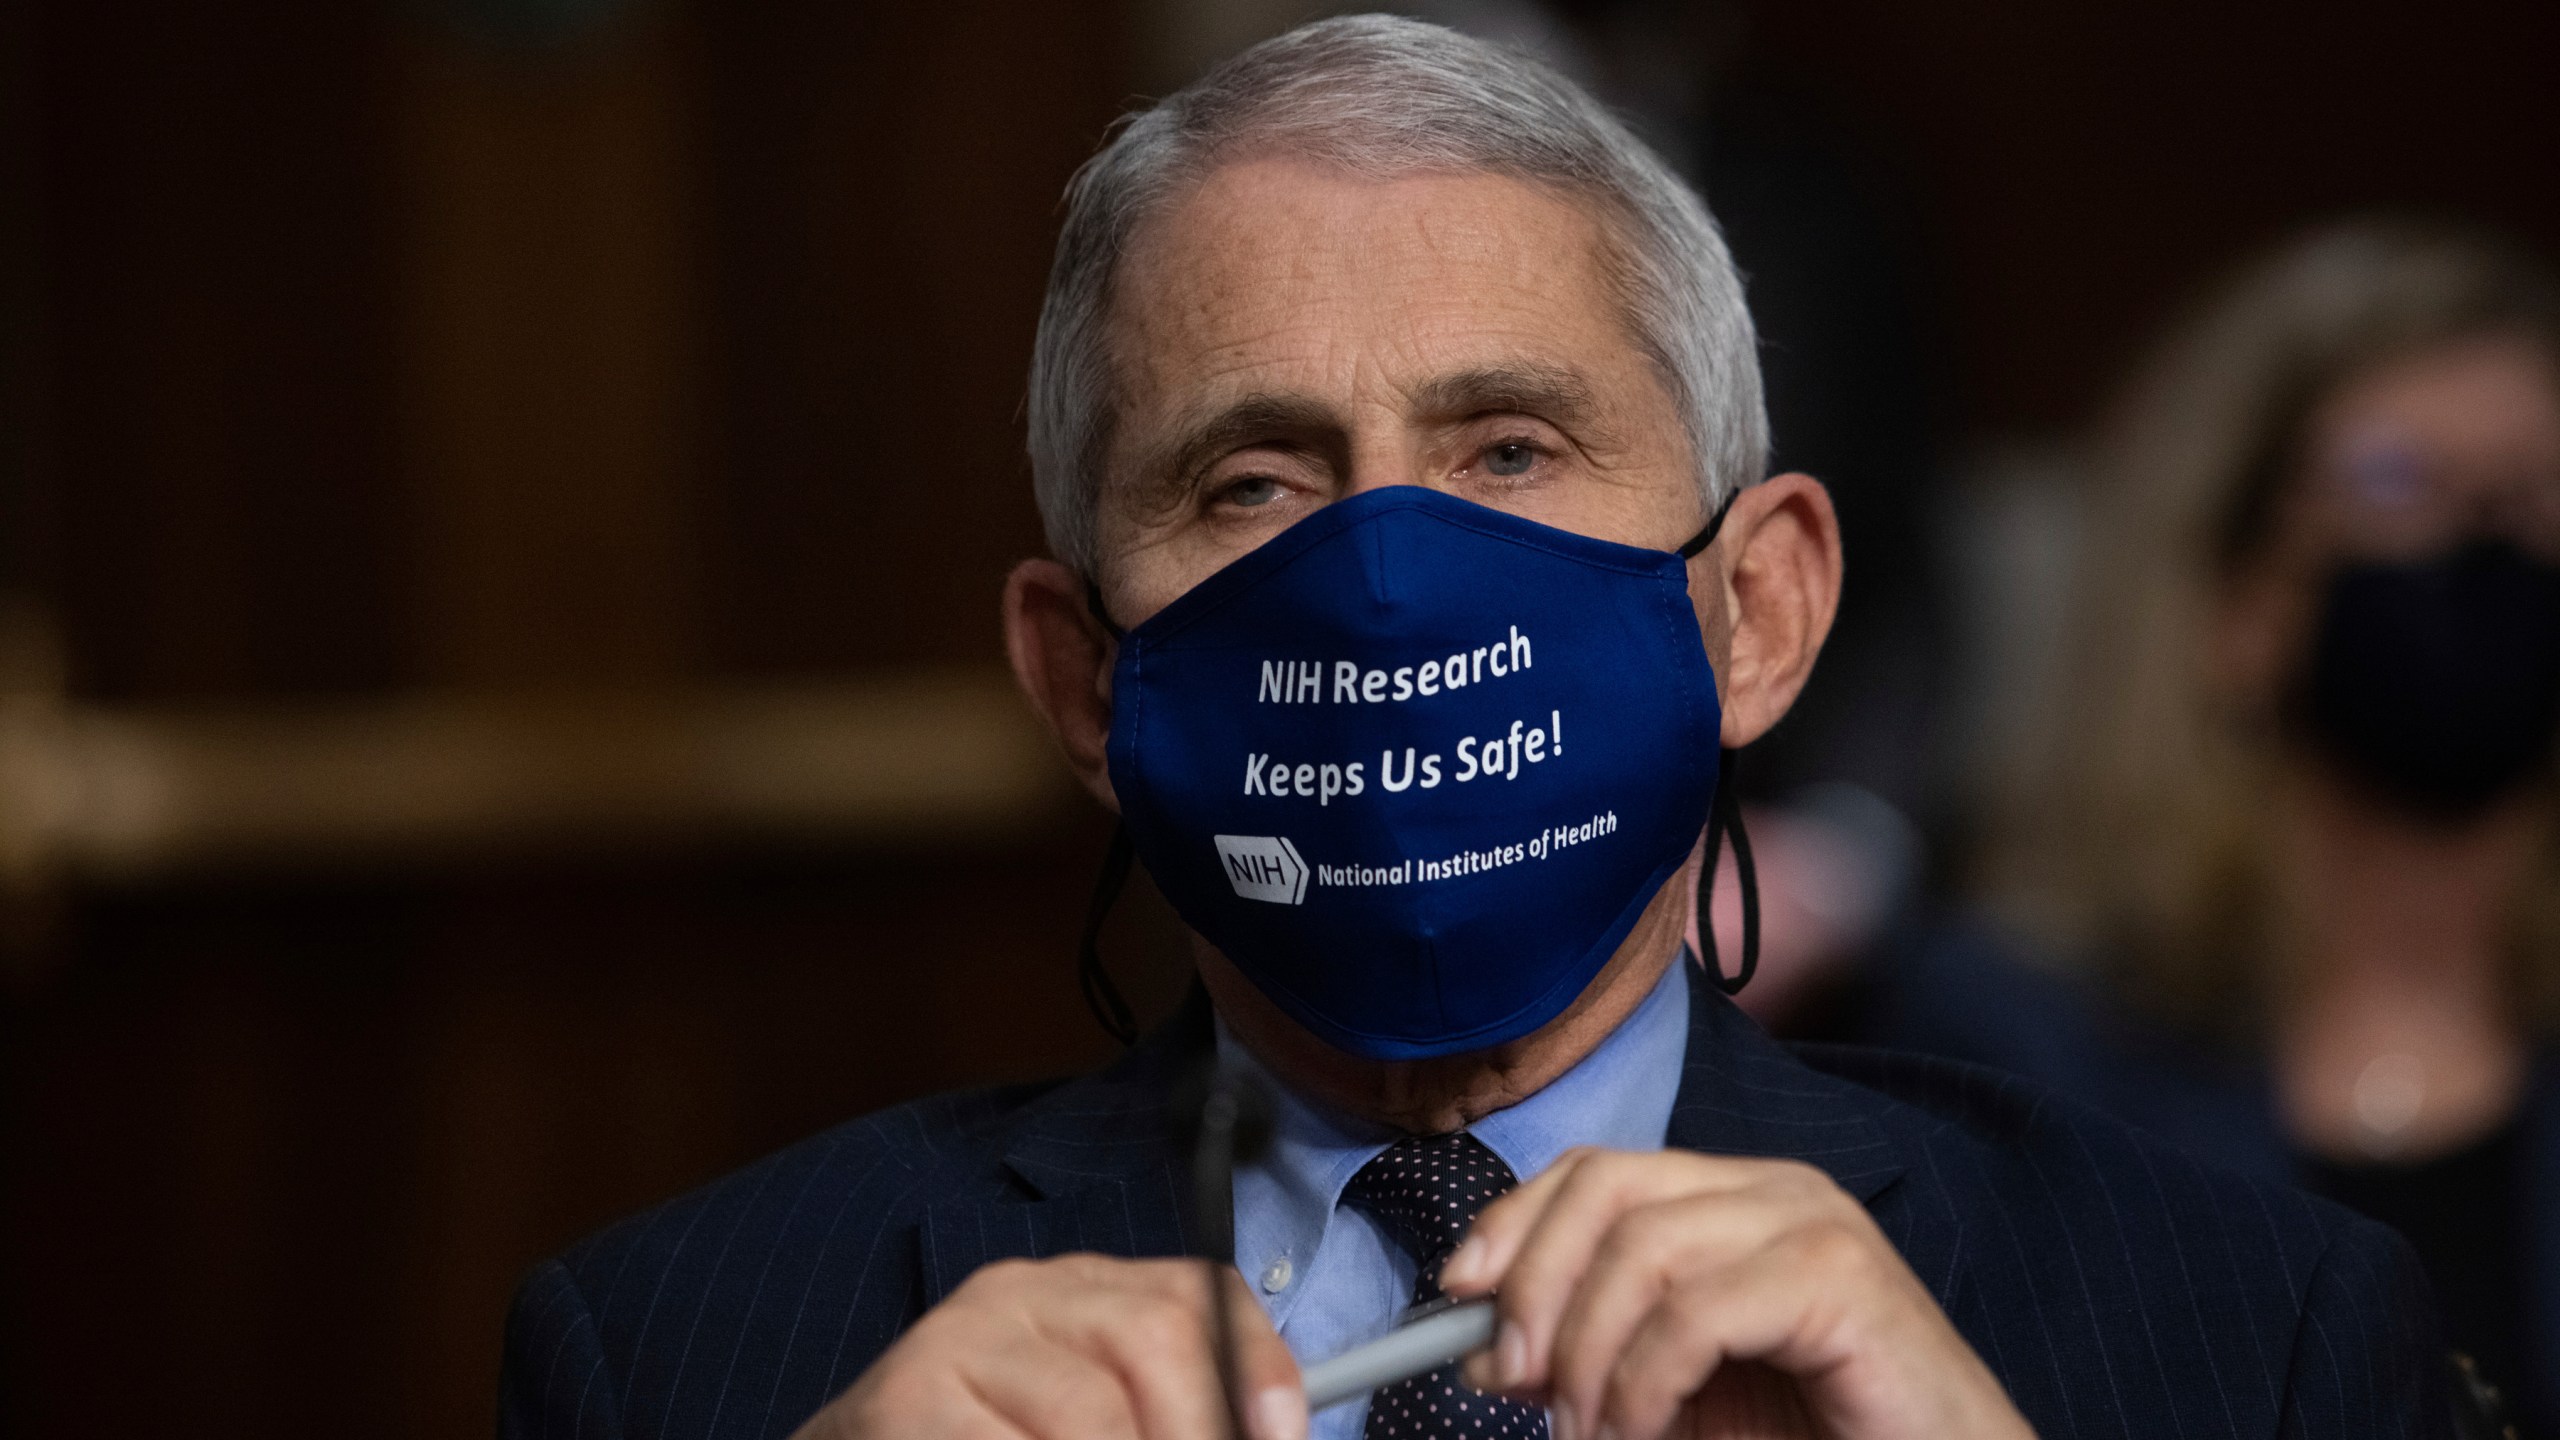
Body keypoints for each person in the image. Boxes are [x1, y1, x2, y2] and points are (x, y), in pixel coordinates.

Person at [498, 21, 2448, 1440]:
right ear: (1085, 683)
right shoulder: (682, 1360)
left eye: (1506, 449)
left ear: (1754, 609)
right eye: (1254, 483)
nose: (1383, 574)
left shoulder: (2248, 1334)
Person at [1876, 219, 2560, 1435]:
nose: (2487, 544)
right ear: (2230, 594)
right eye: (2402, 485)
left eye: (2531, 492)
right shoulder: (2014, 1045)